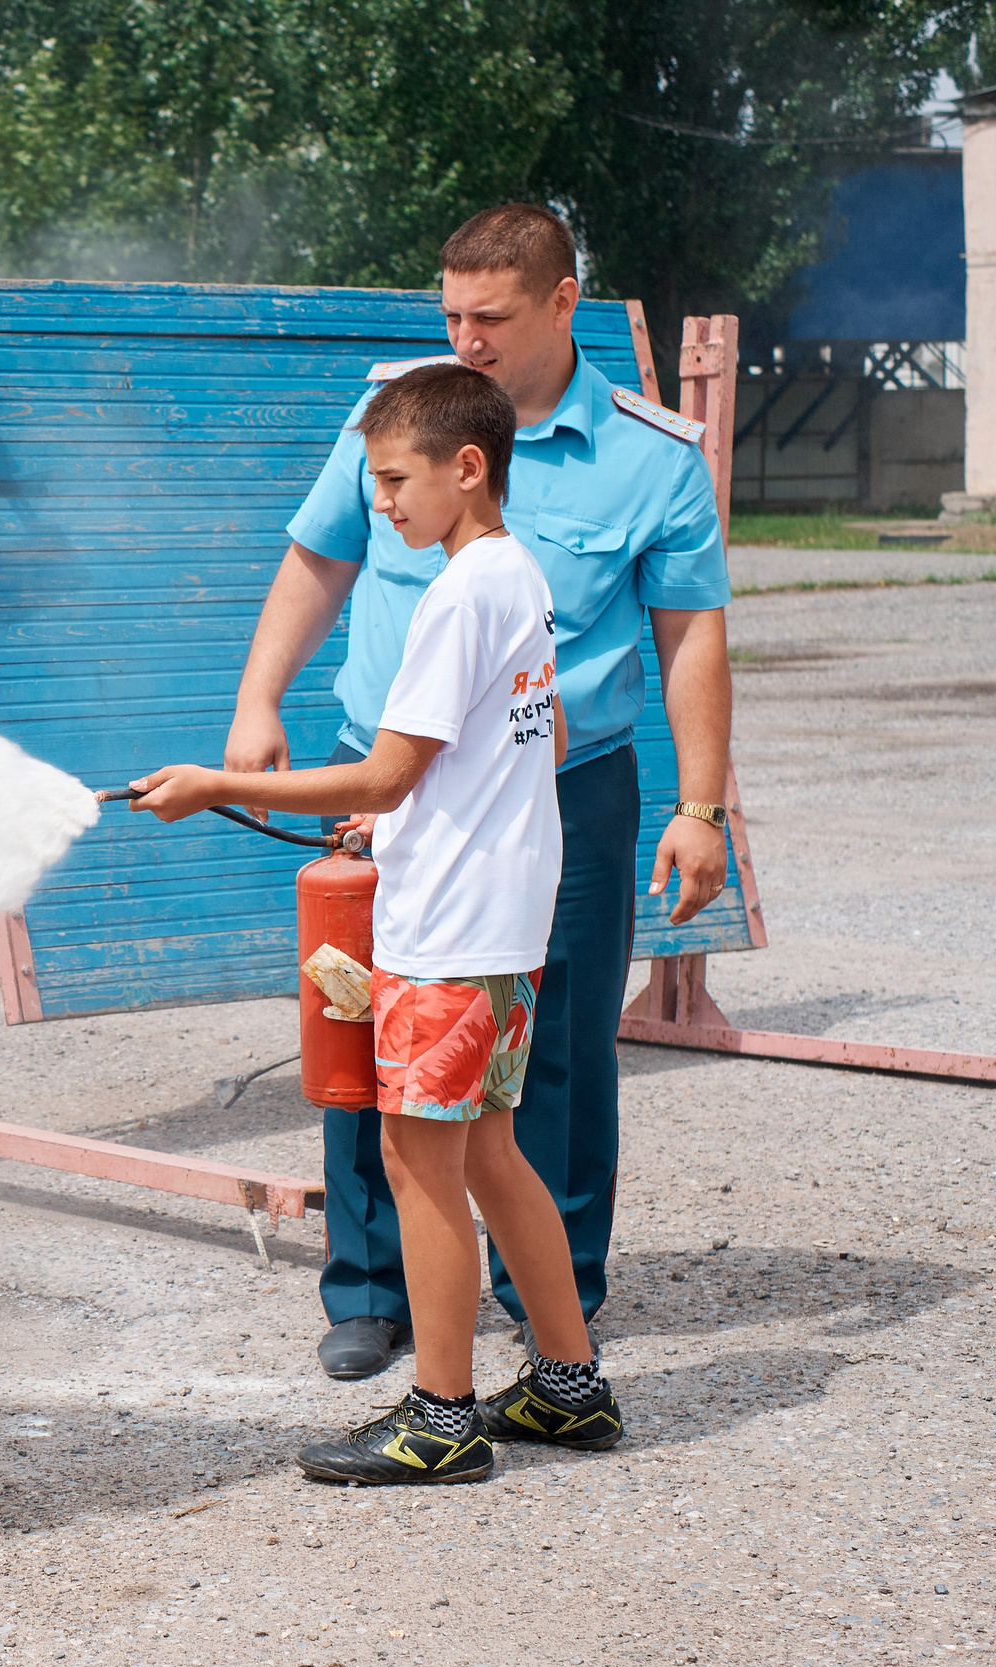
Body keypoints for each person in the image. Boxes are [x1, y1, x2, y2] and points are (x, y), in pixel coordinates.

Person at [226, 204, 734, 1380]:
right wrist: (258, 702)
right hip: (385, 780)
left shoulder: (648, 456)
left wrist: (700, 808)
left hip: (565, 791)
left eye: (490, 317)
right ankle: (370, 1287)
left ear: (564, 303)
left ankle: (550, 1296)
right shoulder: (406, 412)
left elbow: (691, 640)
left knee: (553, 1044)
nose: (466, 338)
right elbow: (317, 557)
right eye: (449, 313)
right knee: (366, 1028)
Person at [112, 362, 621, 1483]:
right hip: (496, 912)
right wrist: (394, 835)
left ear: (466, 466)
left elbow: (385, 773)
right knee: (490, 1152)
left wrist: (215, 783)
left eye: (393, 480)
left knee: (417, 1157)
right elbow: (494, 759)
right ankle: (569, 1387)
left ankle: (441, 1419)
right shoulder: (515, 575)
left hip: (450, 930)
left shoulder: (457, 596)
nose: (380, 503)